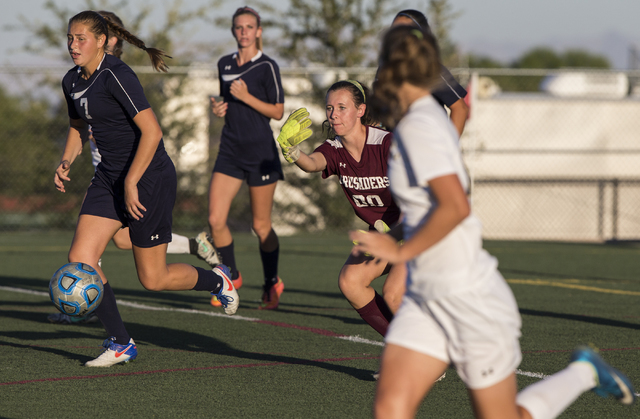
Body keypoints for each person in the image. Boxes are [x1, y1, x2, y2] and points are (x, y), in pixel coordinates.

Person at [351, 25, 636, 418]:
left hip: (467, 298)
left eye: (382, 68)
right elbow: (430, 207)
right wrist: (394, 233)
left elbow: (455, 208)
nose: (376, 79)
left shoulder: (421, 128)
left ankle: (583, 373)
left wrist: (399, 250)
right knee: (390, 410)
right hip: (425, 299)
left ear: (398, 74)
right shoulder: (414, 125)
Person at [55, 10, 238, 367]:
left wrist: (133, 182)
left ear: (103, 41)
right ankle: (121, 342)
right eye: (70, 38)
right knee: (80, 258)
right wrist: (65, 161)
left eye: (81, 39)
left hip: (149, 177)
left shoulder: (117, 75)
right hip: (109, 177)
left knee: (153, 279)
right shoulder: (72, 81)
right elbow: (78, 127)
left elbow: (153, 132)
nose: (74, 45)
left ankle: (217, 281)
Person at [276, 80, 405, 338]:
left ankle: (427, 357)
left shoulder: (387, 144)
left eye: (342, 107)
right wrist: (291, 151)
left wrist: (395, 236)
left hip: (416, 231)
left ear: (360, 111)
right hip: (385, 236)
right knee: (351, 282)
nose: (333, 114)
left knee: (393, 293)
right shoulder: (335, 149)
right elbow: (313, 163)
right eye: (329, 108)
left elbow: (418, 198)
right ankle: (404, 350)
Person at [207, 6, 285, 309]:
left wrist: (247, 97)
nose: (244, 32)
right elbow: (225, 100)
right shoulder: (224, 63)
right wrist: (219, 108)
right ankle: (232, 275)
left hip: (260, 153)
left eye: (249, 27)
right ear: (233, 31)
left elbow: (277, 111)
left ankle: (271, 282)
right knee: (215, 220)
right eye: (238, 27)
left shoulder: (267, 67)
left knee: (261, 226)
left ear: (259, 31)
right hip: (230, 150)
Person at [391, 9, 469, 137]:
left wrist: (447, 147)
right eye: (394, 30)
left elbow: (460, 109)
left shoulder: (431, 69)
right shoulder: (386, 68)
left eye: (404, 30)